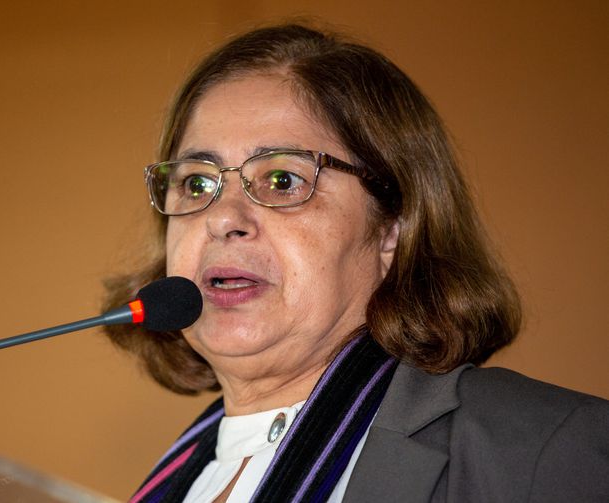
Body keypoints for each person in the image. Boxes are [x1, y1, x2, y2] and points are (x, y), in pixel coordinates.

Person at [103, 24, 609, 502]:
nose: (224, 219)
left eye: (282, 180)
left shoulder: (547, 449)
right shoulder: (185, 477)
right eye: (197, 183)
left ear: (392, 227)